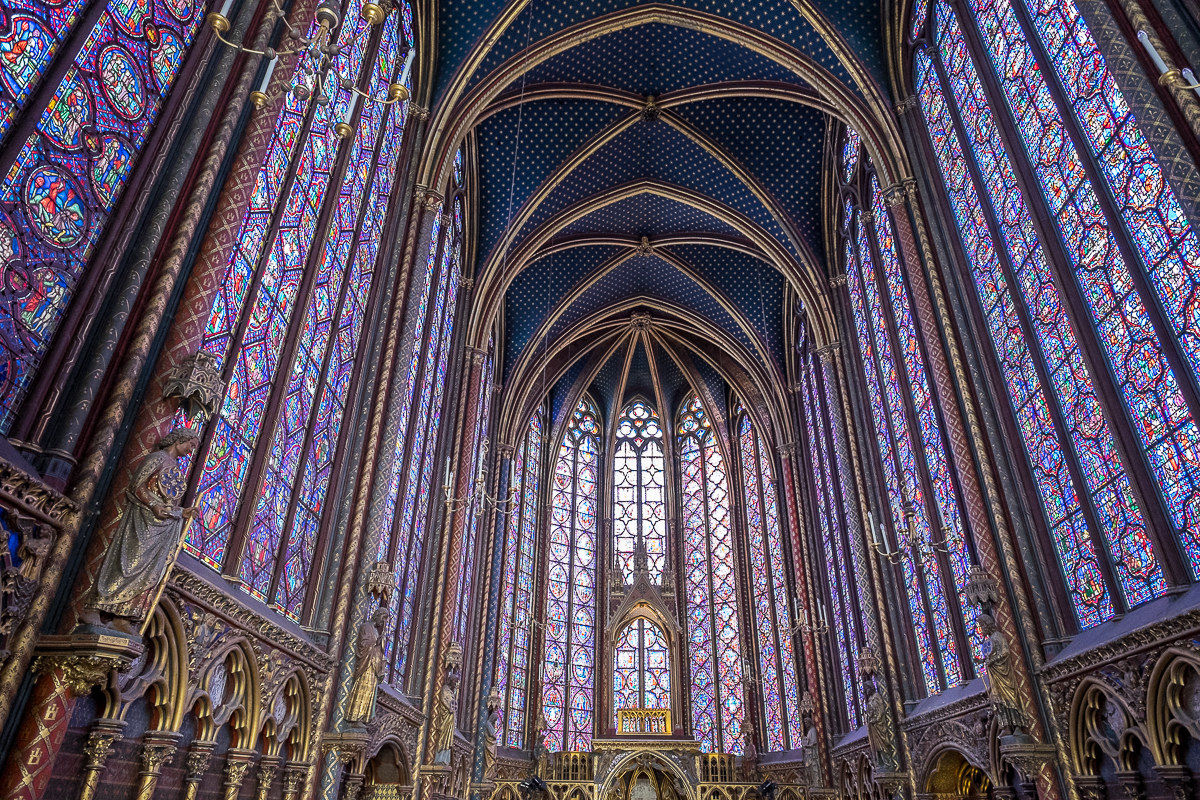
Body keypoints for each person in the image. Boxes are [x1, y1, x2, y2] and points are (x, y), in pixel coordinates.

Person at [80, 428, 199, 633]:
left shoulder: (175, 467)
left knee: (149, 571)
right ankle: (94, 607)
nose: (191, 449)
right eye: (191, 444)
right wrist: (154, 506)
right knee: (126, 562)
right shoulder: (157, 458)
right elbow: (136, 486)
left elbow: (168, 501)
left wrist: (183, 512)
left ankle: (123, 616)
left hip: (162, 525)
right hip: (142, 519)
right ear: (179, 440)